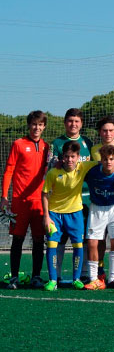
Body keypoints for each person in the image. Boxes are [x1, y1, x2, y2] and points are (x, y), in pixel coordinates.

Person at [1, 110, 49, 289]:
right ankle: (14, 277)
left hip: (39, 201)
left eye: (40, 124)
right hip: (19, 201)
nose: (37, 127)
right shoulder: (18, 144)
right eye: (34, 124)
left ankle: (36, 276)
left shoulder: (47, 147)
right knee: (18, 239)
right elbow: (9, 171)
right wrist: (4, 196)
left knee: (39, 239)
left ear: (44, 127)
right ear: (29, 125)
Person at [42, 141, 99, 291]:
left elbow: (103, 161)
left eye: (73, 156)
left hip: (75, 214)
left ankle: (76, 279)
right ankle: (53, 280)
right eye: (66, 156)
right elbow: (45, 194)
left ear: (78, 157)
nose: (70, 160)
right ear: (62, 157)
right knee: (52, 244)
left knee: (78, 245)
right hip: (54, 215)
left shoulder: (83, 167)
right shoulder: (53, 172)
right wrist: (46, 216)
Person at [48, 108, 94, 283]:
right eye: (70, 121)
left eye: (76, 121)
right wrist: (56, 162)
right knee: (59, 240)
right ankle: (56, 275)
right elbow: (49, 167)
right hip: (61, 202)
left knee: (82, 239)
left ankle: (82, 274)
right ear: (65, 122)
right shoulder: (57, 143)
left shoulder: (87, 143)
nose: (73, 124)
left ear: (81, 123)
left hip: (85, 199)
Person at [90, 116, 114, 282]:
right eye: (104, 130)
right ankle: (99, 271)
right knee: (98, 240)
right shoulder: (94, 150)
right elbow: (103, 166)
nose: (108, 133)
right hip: (98, 200)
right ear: (100, 132)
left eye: (111, 130)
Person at [83, 145, 114, 290]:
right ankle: (93, 279)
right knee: (92, 243)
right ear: (100, 160)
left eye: (111, 159)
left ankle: (113, 278)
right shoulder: (92, 172)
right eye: (105, 159)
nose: (108, 162)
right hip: (96, 208)